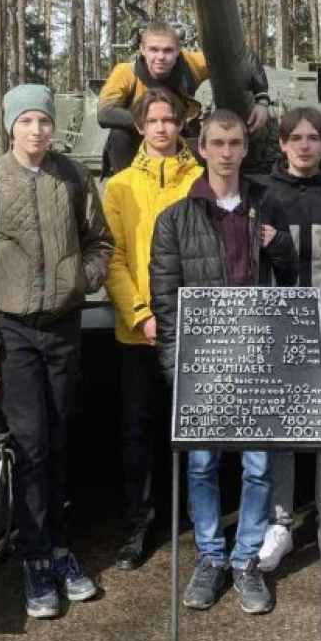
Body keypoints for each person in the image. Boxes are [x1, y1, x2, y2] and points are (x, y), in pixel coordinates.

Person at [0, 84, 113, 620]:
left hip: (62, 325)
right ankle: (36, 557)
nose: (37, 131)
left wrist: (80, 281)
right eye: (26, 121)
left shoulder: (71, 176)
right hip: (15, 328)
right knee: (30, 444)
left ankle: (61, 547)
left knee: (61, 435)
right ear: (10, 126)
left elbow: (100, 241)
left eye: (43, 122)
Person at [149, 109, 298, 615]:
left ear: (244, 148)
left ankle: (246, 560)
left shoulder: (267, 204)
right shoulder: (176, 219)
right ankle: (210, 556)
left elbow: (291, 273)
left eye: (235, 143)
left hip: (256, 356)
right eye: (218, 143)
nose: (228, 153)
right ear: (203, 147)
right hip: (204, 364)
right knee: (202, 464)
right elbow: (165, 299)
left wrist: (279, 245)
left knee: (257, 466)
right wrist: (175, 366)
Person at [102, 88, 202, 569]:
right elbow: (113, 257)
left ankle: (199, 521)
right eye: (154, 120)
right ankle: (141, 521)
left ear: (181, 125)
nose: (162, 127)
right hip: (139, 330)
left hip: (195, 328)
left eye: (170, 119)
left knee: (196, 428)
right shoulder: (119, 186)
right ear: (140, 127)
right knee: (138, 427)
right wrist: (141, 313)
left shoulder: (202, 180)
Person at [256, 106, 321, 576]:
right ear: (281, 143)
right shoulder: (264, 193)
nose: (304, 144)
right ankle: (280, 521)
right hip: (281, 328)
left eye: (314, 137)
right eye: (295, 137)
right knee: (282, 430)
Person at [96, 18, 269, 174]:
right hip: (139, 139)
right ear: (142, 49)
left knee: (210, 148)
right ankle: (125, 191)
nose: (160, 57)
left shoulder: (190, 64)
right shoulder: (126, 72)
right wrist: (154, 121)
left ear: (178, 50)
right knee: (118, 138)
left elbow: (241, 56)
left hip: (179, 137)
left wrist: (262, 100)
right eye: (154, 50)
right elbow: (105, 113)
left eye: (168, 50)